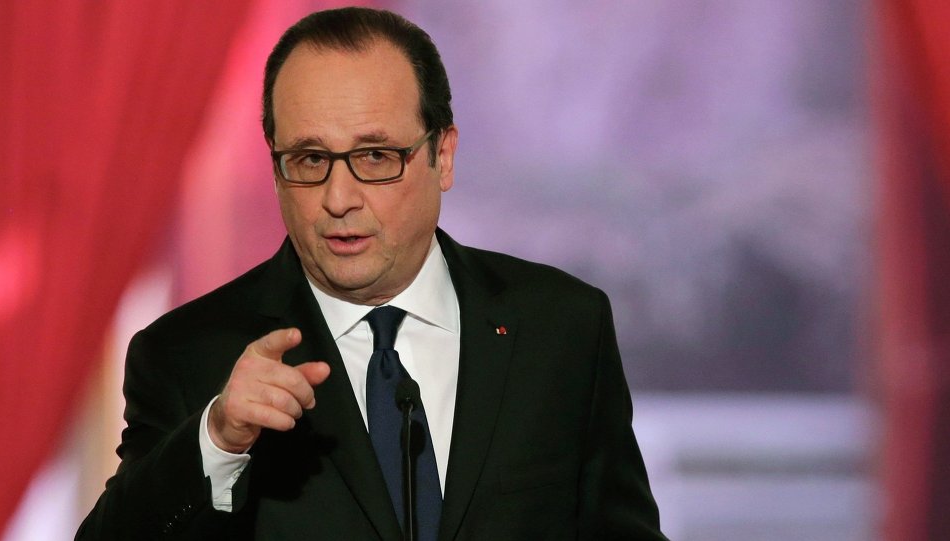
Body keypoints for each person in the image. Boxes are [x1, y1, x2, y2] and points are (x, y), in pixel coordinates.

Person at [77, 7, 667, 540]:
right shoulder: (189, 356)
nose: (338, 198)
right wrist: (218, 441)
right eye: (310, 159)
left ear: (444, 156)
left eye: (375, 157)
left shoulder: (560, 327)